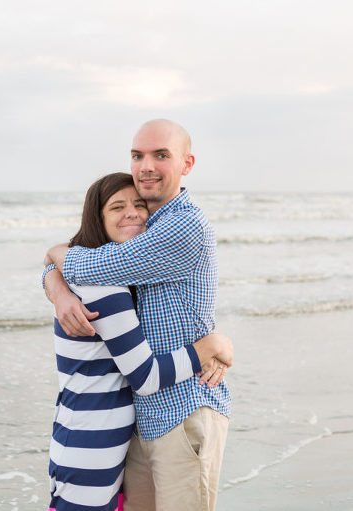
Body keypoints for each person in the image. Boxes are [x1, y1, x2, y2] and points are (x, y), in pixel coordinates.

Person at [43, 119, 231, 511]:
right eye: (137, 155)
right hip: (141, 420)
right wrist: (56, 286)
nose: (146, 165)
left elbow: (89, 265)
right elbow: (92, 260)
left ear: (187, 163)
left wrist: (55, 261)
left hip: (183, 408)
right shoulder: (148, 226)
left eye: (161, 155)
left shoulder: (181, 226)